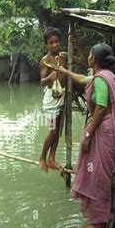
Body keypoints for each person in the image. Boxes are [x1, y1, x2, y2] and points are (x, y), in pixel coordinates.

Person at [56, 43, 115, 228]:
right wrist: (64, 70)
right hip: (111, 130)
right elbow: (82, 79)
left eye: (89, 54)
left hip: (104, 131)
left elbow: (101, 107)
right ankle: (113, 216)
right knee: (108, 174)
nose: (87, 56)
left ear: (93, 59)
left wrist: (88, 135)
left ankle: (99, 223)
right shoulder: (107, 76)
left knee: (99, 176)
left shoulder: (100, 79)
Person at [39, 27, 87, 172]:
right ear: (47, 44)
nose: (54, 45)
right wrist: (50, 77)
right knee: (53, 131)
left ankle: (51, 158)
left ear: (60, 42)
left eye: (56, 42)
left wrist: (77, 45)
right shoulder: (45, 60)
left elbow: (84, 62)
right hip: (51, 98)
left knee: (58, 130)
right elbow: (42, 82)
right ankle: (42, 157)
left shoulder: (65, 56)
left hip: (63, 95)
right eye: (51, 43)